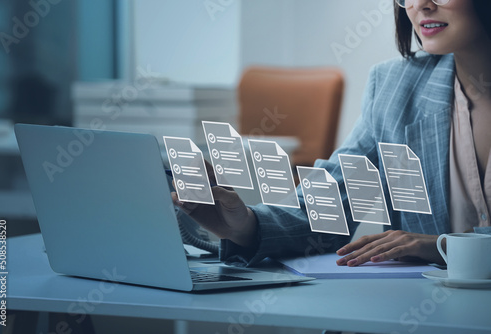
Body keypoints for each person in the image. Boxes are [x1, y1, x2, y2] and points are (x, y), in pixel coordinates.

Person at [172, 0, 491, 267]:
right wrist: (246, 224)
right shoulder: (396, 88)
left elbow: (442, 246)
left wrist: (445, 245)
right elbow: (329, 207)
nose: (421, 4)